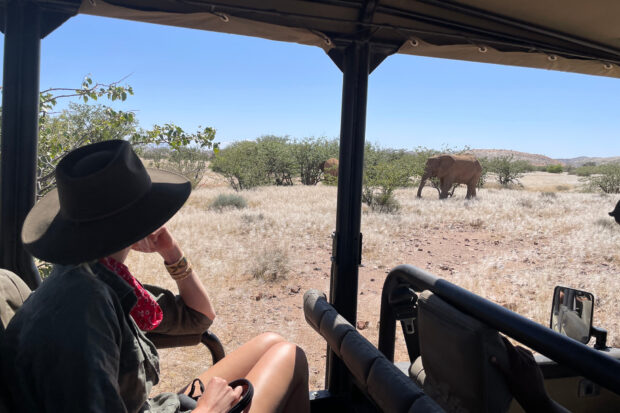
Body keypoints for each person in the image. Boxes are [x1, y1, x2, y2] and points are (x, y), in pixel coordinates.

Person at [1, 140, 310, 413]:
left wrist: (171, 252)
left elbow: (199, 317)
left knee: (272, 341)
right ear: (137, 220)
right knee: (290, 356)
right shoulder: (85, 305)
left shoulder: (96, 277)